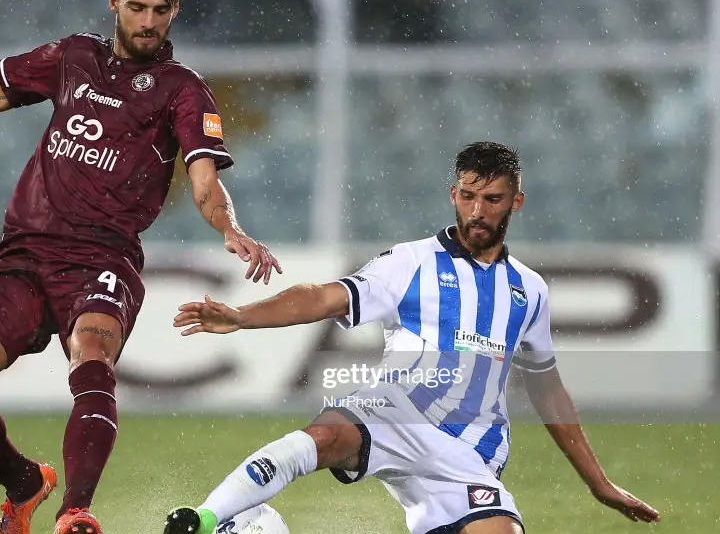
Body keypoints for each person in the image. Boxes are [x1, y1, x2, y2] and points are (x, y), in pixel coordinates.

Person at [0, 0, 282, 533]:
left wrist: (229, 227)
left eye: (159, 10)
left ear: (174, 11)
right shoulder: (75, 57)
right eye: (136, 7)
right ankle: (25, 485)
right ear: (114, 3)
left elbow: (204, 177)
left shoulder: (184, 90)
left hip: (103, 258)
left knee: (93, 357)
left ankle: (76, 510)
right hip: (23, 256)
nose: (147, 22)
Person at [163, 142, 660, 534]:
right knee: (325, 436)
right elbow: (323, 296)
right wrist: (243, 316)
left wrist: (599, 484)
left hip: (470, 455)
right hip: (395, 411)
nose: (478, 211)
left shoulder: (529, 290)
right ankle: (203, 521)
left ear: (516, 202)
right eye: (468, 196)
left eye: (492, 199)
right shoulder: (412, 262)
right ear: (453, 195)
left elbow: (547, 388)